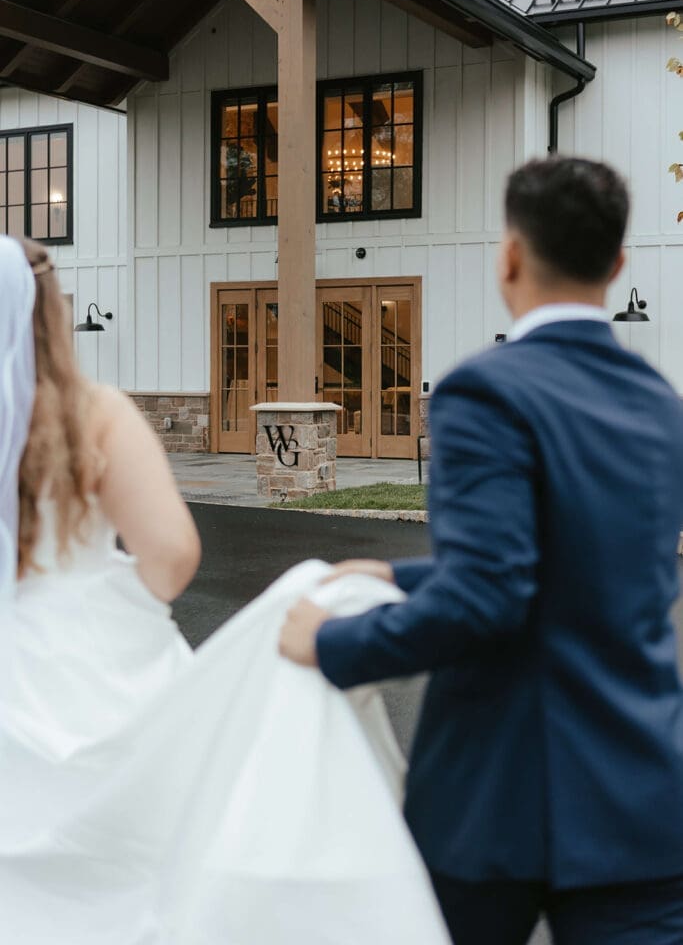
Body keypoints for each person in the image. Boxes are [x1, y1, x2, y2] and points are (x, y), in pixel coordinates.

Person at [280, 156, 683, 945]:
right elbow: (587, 567)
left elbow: (487, 596)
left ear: (509, 256)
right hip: (637, 795)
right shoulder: (659, 403)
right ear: (616, 264)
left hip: (492, 800)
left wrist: (331, 643)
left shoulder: (483, 391)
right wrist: (397, 573)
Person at [0, 237, 449, 943]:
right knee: (148, 850)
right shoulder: (93, 413)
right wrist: (106, 596)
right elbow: (172, 556)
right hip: (87, 650)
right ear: (51, 314)